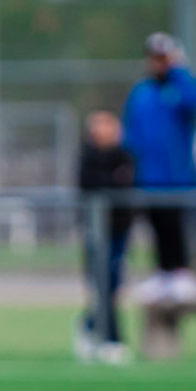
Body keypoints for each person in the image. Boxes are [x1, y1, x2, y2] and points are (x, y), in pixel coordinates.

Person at [122, 32, 196, 305]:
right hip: (148, 175)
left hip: (176, 175)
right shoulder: (142, 92)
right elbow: (131, 131)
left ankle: (181, 272)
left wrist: (179, 69)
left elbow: (195, 101)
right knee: (156, 226)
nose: (158, 63)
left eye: (163, 58)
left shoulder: (180, 87)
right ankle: (162, 273)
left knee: (176, 226)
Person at [75, 109, 135, 361]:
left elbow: (126, 182)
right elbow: (90, 182)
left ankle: (94, 329)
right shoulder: (87, 157)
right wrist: (111, 180)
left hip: (119, 228)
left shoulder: (125, 156)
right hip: (95, 231)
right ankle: (106, 336)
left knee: (112, 283)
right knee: (101, 284)